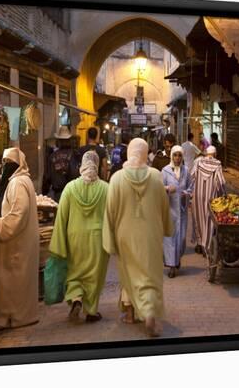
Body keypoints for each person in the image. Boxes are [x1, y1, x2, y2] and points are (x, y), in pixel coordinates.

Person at [103, 138, 173, 337]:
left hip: (125, 234)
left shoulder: (116, 178)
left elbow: (110, 211)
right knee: (149, 275)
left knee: (129, 274)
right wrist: (167, 228)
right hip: (150, 234)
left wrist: (109, 239)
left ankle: (131, 313)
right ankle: (149, 311)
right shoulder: (156, 176)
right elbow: (164, 206)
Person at [0, 148, 40, 332]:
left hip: (15, 244)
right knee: (16, 281)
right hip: (19, 242)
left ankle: (7, 318)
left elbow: (18, 214)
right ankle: (19, 316)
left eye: (9, 163)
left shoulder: (17, 183)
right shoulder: (22, 181)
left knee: (6, 281)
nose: (5, 166)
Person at [49, 151, 109, 322]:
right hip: (98, 238)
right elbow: (112, 215)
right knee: (94, 275)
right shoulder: (106, 188)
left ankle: (76, 298)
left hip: (74, 237)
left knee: (75, 272)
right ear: (97, 166)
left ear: (81, 165)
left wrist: (58, 242)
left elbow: (61, 217)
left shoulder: (70, 188)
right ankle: (91, 311)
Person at [162, 146, 193, 278]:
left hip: (182, 210)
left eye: (180, 155)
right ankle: (171, 266)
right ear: (171, 156)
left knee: (181, 239)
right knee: (170, 239)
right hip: (169, 210)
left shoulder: (186, 171)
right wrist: (168, 189)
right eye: (175, 155)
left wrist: (185, 194)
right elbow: (158, 188)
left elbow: (191, 188)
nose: (177, 158)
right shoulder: (165, 171)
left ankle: (177, 259)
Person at [190, 145, 226, 256]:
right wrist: (224, 195)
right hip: (211, 197)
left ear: (206, 153)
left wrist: (190, 194)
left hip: (197, 196)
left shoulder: (198, 163)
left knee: (198, 219)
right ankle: (207, 246)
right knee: (209, 220)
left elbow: (191, 177)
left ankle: (200, 243)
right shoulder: (217, 164)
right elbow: (221, 182)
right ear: (214, 154)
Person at [42, 125, 79, 202]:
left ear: (58, 140)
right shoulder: (74, 155)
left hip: (58, 194)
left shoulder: (52, 156)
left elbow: (47, 177)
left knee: (59, 213)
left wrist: (44, 194)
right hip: (72, 192)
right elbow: (75, 174)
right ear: (69, 140)